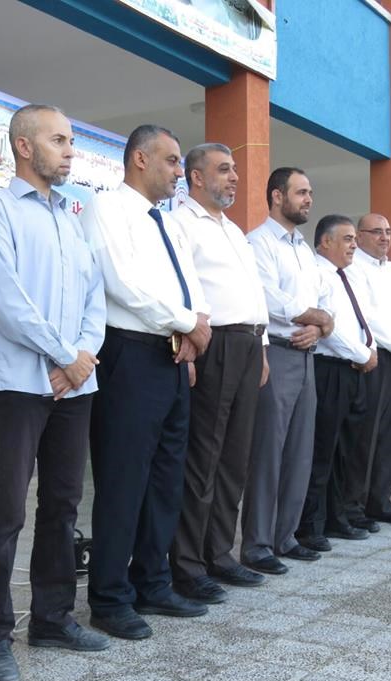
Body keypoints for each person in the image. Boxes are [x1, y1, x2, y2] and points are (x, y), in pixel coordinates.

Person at [0, 104, 110, 681]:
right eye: (59, 140)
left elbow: (95, 299)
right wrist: (63, 355)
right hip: (19, 383)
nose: (70, 151)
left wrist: (81, 358)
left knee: (62, 505)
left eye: (71, 140)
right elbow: (5, 299)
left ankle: (52, 619)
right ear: (24, 147)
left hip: (75, 385)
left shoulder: (72, 219)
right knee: (6, 509)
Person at [81, 125, 212, 641]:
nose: (180, 171)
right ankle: (109, 598)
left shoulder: (169, 222)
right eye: (172, 161)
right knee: (123, 479)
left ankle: (153, 582)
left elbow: (190, 286)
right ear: (139, 159)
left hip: (173, 357)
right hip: (130, 355)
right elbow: (122, 283)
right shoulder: (107, 209)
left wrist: (194, 331)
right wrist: (187, 323)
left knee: (166, 478)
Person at [169, 144, 270, 603]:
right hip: (215, 344)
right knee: (203, 458)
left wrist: (262, 348)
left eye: (234, 170)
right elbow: (183, 289)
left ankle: (220, 553)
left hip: (248, 344)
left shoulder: (234, 230)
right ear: (195, 176)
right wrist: (189, 349)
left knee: (235, 456)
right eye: (224, 169)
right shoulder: (181, 223)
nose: (234, 177)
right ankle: (188, 564)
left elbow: (254, 293)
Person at [242, 168, 334, 573]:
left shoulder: (305, 251)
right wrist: (312, 316)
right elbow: (265, 296)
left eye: (310, 192)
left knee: (300, 450)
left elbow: (325, 301)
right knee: (268, 452)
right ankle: (257, 544)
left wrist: (321, 326)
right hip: (276, 353)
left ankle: (286, 536)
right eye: (301, 192)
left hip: (307, 354)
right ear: (277, 196)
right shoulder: (257, 243)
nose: (308, 199)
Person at [295, 215, 378, 549]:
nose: (354, 245)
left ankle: (337, 516)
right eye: (347, 239)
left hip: (354, 369)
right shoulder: (316, 273)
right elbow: (328, 329)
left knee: (347, 449)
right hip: (329, 368)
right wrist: (362, 353)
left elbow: (360, 320)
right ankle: (310, 525)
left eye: (355, 238)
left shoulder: (347, 276)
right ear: (325, 241)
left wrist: (369, 349)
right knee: (322, 450)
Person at [340, 214, 391, 530]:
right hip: (380, 356)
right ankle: (354, 507)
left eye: (388, 231)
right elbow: (367, 317)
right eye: (376, 232)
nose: (384, 237)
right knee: (367, 434)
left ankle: (381, 502)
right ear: (360, 235)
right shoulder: (354, 268)